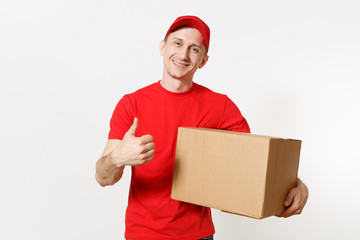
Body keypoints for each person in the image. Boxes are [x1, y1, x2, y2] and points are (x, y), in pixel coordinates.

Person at [95, 15, 309, 240]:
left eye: (194, 49)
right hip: (143, 234)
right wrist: (116, 159)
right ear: (163, 47)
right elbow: (103, 178)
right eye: (177, 43)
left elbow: (253, 163)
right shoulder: (132, 104)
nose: (183, 54)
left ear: (204, 60)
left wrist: (297, 185)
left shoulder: (220, 107)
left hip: (198, 235)